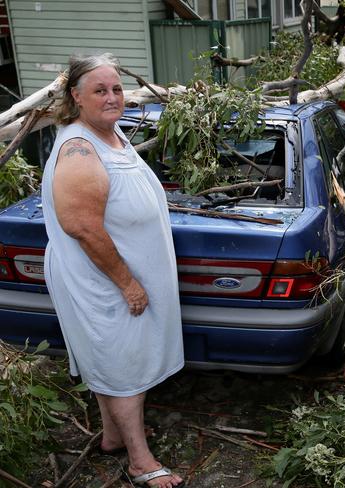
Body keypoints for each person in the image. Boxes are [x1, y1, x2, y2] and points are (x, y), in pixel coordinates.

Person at [41, 53, 185, 488]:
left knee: (112, 360)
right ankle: (141, 462)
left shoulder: (109, 133)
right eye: (100, 90)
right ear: (76, 97)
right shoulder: (79, 149)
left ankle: (111, 438)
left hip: (117, 278)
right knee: (123, 366)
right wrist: (127, 283)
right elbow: (82, 225)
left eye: (117, 88)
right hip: (101, 281)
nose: (112, 97)